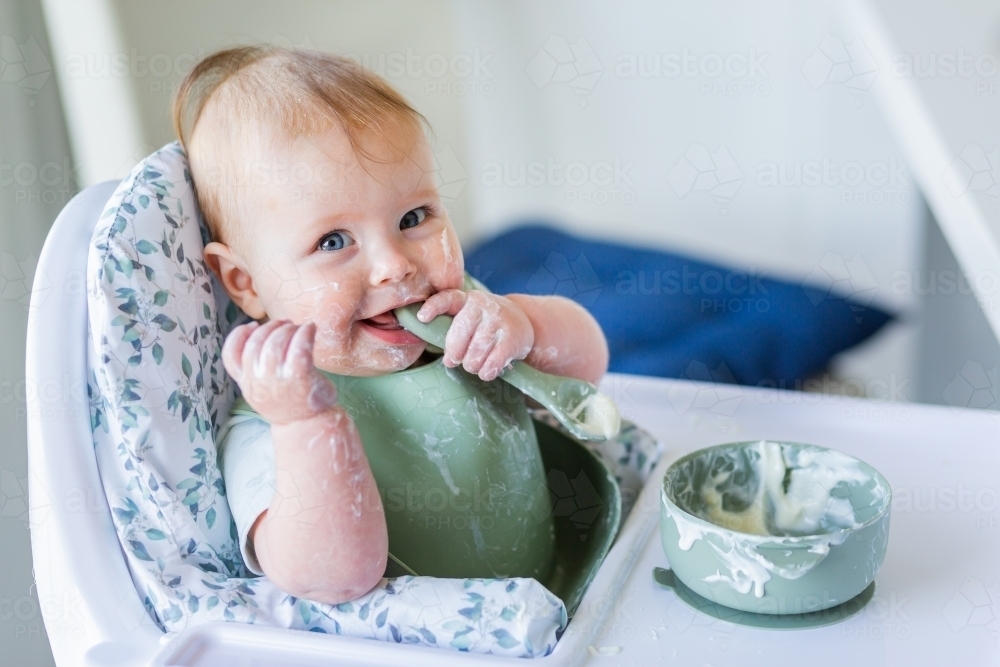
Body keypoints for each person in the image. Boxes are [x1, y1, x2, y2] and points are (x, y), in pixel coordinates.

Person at [175, 46, 609, 605]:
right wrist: (307, 424)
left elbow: (588, 371)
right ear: (245, 282)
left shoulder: (463, 316)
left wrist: (525, 325)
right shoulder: (268, 430)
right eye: (333, 241)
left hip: (567, 584)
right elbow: (335, 580)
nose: (395, 264)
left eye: (413, 218)